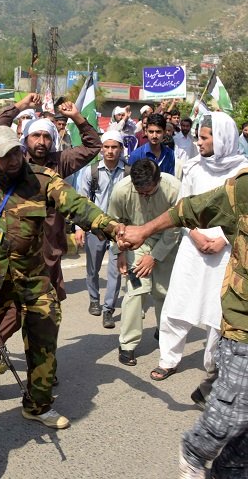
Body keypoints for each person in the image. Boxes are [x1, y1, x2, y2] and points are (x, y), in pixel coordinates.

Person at [0, 125, 123, 428]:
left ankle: (38, 404)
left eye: (17, 152)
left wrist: (113, 228)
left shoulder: (41, 179)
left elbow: (78, 205)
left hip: (32, 275)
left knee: (44, 337)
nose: (14, 160)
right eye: (5, 156)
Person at [121, 170, 248, 479]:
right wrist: (144, 230)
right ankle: (195, 450)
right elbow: (190, 209)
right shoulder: (244, 188)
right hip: (243, 325)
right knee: (232, 414)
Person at [151, 113, 248, 393]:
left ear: (223, 138)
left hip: (225, 251)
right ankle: (168, 359)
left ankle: (213, 363)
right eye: (199, 136)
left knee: (218, 310)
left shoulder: (242, 172)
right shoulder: (192, 167)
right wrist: (195, 235)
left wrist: (222, 241)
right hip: (193, 248)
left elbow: (240, 214)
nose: (199, 141)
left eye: (205, 137)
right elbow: (184, 207)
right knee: (178, 303)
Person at [0, 94, 102, 301]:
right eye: (36, 135)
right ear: (25, 138)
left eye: (46, 136)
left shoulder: (60, 162)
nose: (41, 141)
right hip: (15, 245)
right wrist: (21, 106)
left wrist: (77, 117)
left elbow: (93, 146)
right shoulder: (16, 160)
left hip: (48, 249)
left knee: (46, 312)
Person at [108, 159, 181, 366]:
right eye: (140, 193)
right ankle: (127, 344)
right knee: (135, 291)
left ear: (158, 180)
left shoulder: (173, 188)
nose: (144, 196)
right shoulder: (121, 190)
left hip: (167, 243)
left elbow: (175, 227)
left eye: (149, 192)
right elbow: (113, 223)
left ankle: (164, 333)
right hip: (134, 244)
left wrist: (155, 256)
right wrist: (119, 251)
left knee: (163, 292)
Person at [75, 130, 127, 328]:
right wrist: (80, 227)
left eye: (114, 147)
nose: (110, 151)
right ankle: (94, 299)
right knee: (93, 268)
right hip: (95, 228)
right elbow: (82, 201)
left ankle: (108, 309)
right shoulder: (91, 171)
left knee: (115, 270)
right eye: (106, 147)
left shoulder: (127, 171)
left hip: (118, 229)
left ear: (121, 149)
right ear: (101, 149)